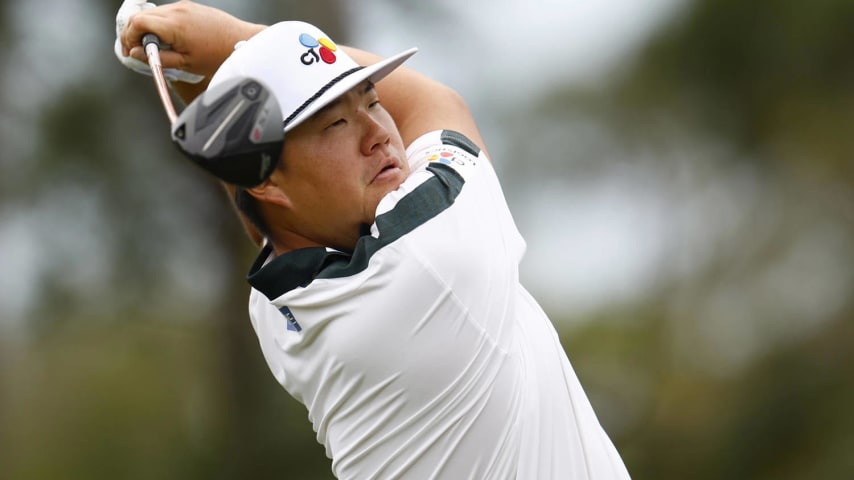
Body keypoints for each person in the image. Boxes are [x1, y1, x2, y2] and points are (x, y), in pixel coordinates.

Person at [118, 2, 632, 478]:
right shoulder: (431, 260)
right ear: (268, 180)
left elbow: (261, 209)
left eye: (373, 100)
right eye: (336, 123)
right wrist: (237, 39)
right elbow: (435, 102)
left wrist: (216, 79)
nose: (379, 133)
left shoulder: (277, 308)